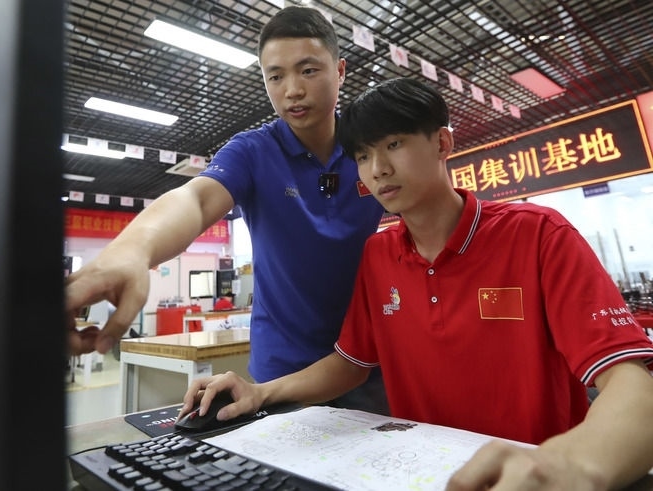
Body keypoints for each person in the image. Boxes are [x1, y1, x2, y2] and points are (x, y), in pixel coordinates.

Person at [180, 77, 653, 490]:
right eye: (363, 155)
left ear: (442, 143)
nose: (378, 169)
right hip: (421, 476)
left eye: (394, 144)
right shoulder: (378, 255)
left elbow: (631, 383)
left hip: (527, 477)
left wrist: (572, 464)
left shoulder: (539, 235)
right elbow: (350, 364)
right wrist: (260, 392)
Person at [65, 6, 389, 414]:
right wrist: (133, 250)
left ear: (340, 71)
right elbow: (196, 199)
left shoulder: (372, 146)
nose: (292, 90)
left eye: (308, 70)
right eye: (275, 76)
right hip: (281, 373)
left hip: (369, 363)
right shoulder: (253, 151)